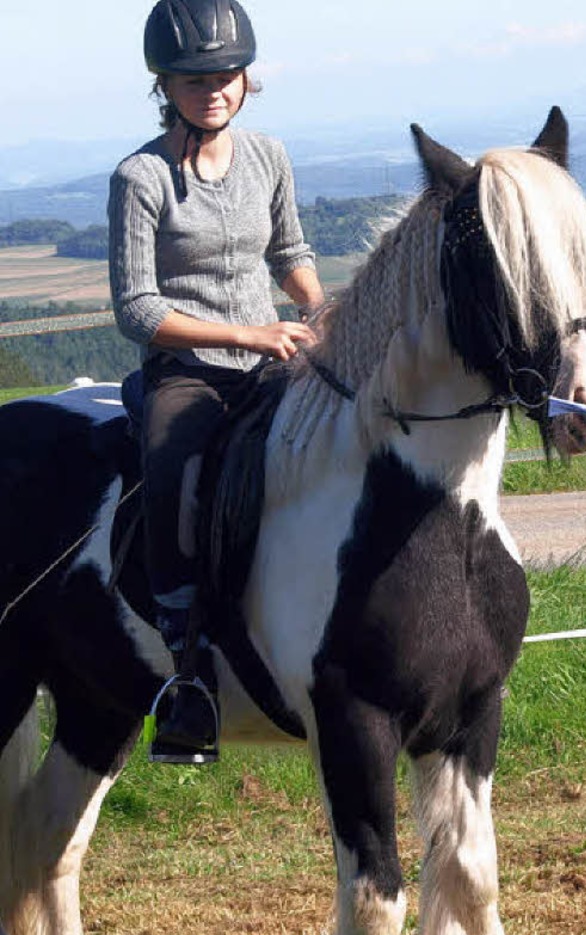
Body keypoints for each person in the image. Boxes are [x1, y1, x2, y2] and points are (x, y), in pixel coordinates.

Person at [108, 0, 325, 762]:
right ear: (164, 84)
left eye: (226, 74)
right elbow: (137, 309)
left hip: (272, 358)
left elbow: (290, 250)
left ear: (244, 78)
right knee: (172, 469)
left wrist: (317, 307)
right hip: (186, 371)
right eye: (195, 78)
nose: (214, 88)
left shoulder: (269, 156)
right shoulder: (140, 177)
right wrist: (247, 333)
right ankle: (188, 671)